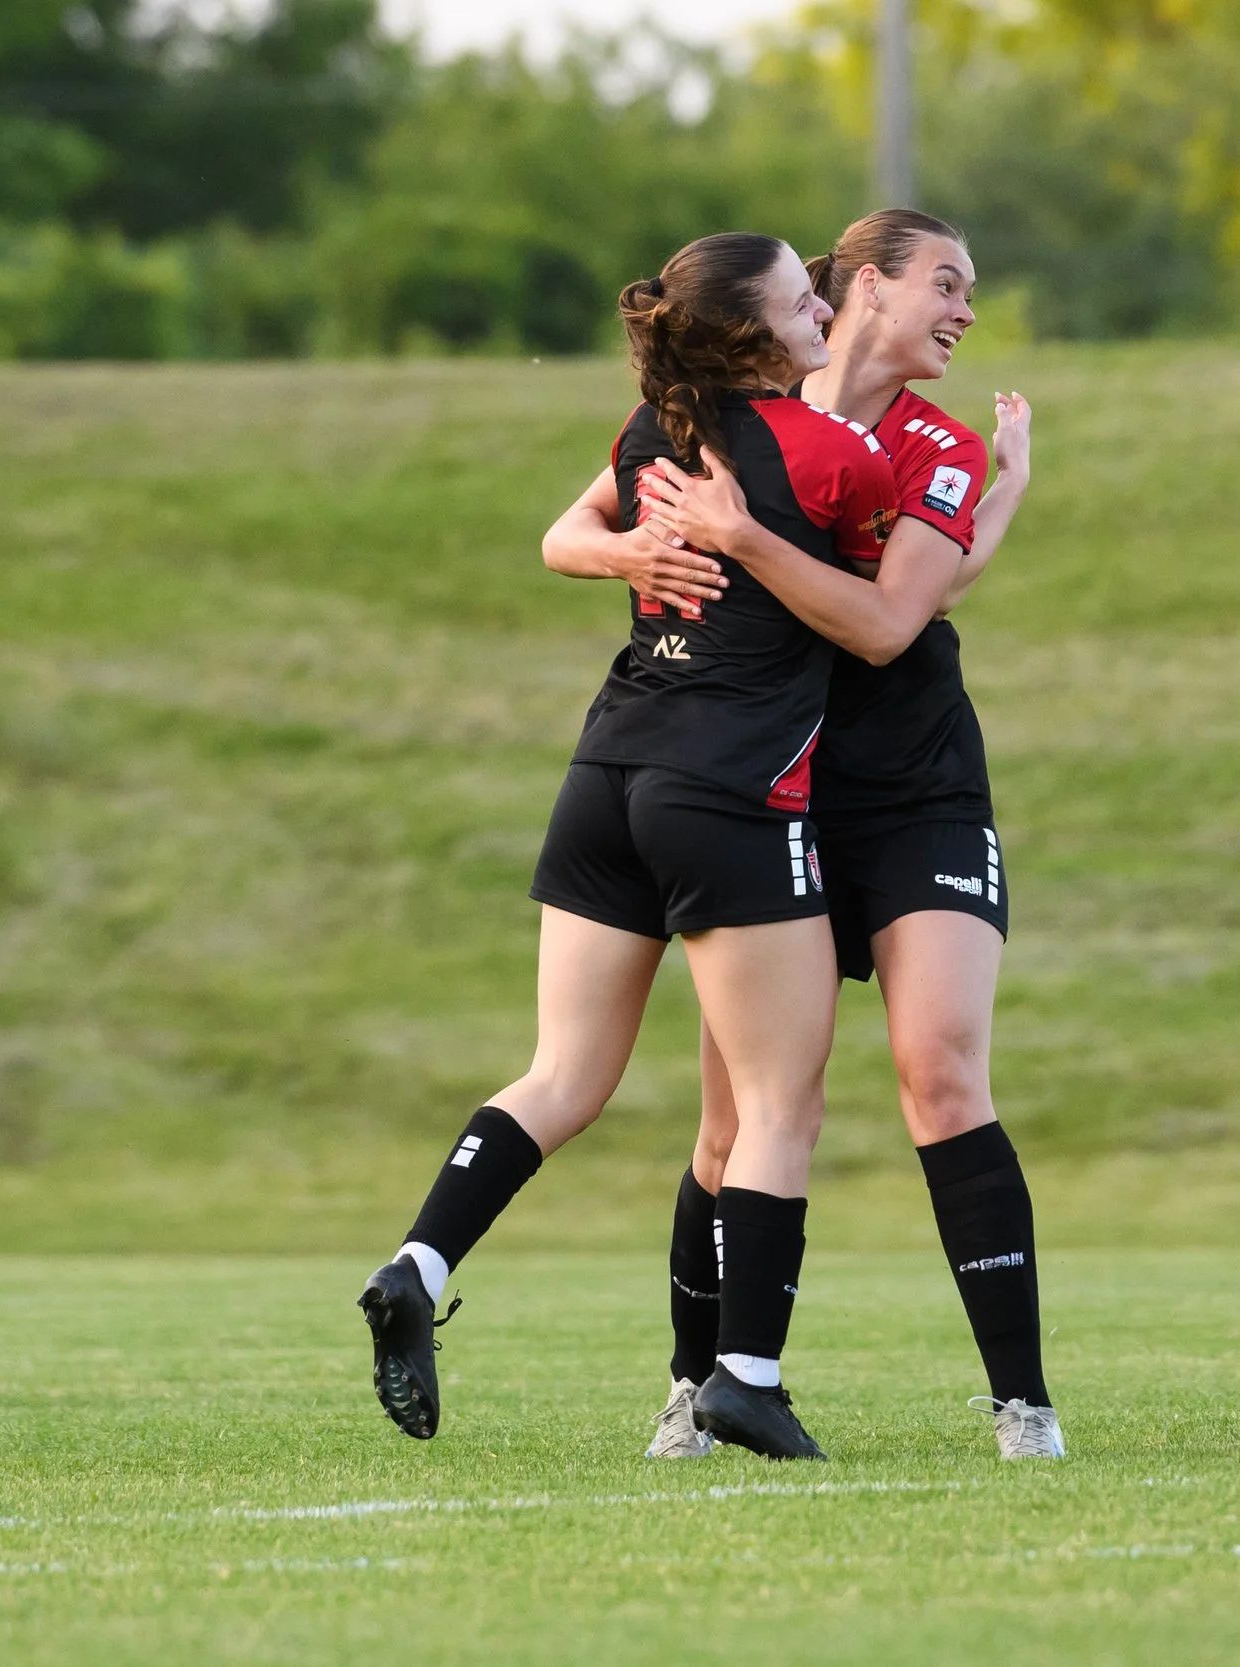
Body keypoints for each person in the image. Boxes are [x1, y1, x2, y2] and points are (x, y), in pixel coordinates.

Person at [359, 231, 958, 1461]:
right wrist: (990, 503)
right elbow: (898, 611)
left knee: (564, 1074)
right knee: (778, 1102)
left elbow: (561, 533)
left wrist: (624, 545)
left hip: (606, 772)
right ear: (752, 334)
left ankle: (419, 1260)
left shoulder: (650, 435)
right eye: (804, 301)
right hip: (729, 790)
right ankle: (744, 1374)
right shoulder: (838, 454)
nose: (823, 315)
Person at [569, 209, 1061, 1462]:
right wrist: (638, 545)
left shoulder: (931, 444)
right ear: (858, 293)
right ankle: (697, 1388)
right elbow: (575, 528)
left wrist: (990, 495)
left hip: (912, 790)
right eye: (944, 283)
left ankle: (1024, 1405)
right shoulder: (730, 415)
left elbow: (897, 620)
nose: (961, 309)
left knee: (939, 1069)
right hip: (767, 792)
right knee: (732, 1122)